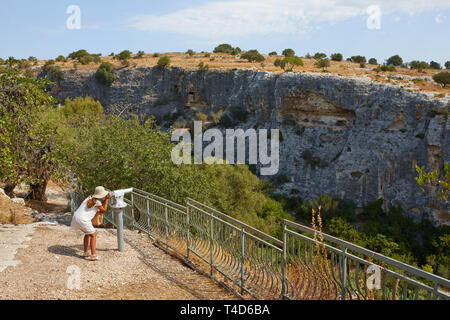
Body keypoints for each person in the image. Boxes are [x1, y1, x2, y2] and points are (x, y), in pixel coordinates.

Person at [70, 186, 111, 261]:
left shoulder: (89, 198)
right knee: (93, 234)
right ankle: (94, 255)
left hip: (76, 217)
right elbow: (103, 210)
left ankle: (86, 252)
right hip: (83, 219)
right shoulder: (97, 202)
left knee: (87, 233)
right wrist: (107, 199)